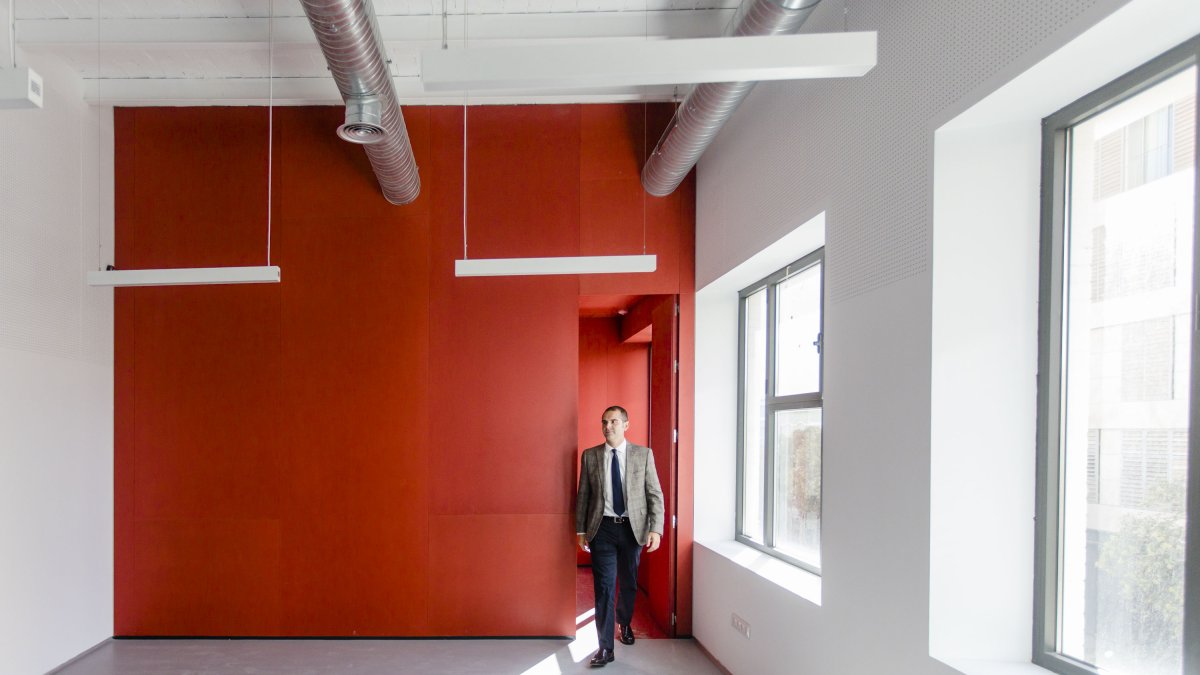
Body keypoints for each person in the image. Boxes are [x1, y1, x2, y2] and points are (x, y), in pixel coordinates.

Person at [575, 405, 665, 668]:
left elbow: (654, 494)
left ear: (626, 425)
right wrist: (581, 530)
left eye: (614, 421)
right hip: (601, 528)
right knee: (603, 587)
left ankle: (624, 622)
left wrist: (656, 528)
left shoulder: (643, 455)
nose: (608, 426)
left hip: (632, 529)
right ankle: (605, 647)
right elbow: (583, 496)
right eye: (604, 422)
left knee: (628, 583)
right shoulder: (590, 456)